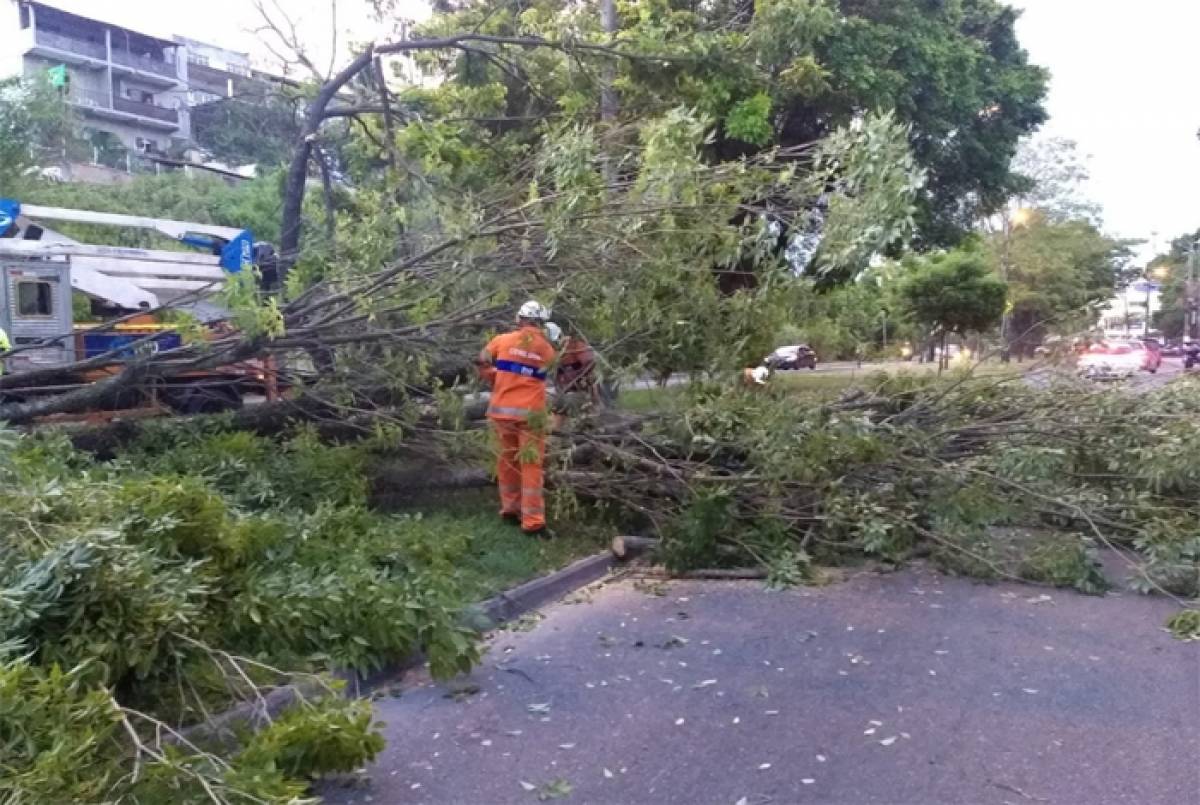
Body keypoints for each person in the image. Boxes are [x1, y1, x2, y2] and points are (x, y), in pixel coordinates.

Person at [478, 300, 557, 536]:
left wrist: (494, 377)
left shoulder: (502, 340)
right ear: (542, 323)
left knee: (508, 463)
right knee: (531, 466)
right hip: (530, 416)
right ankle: (533, 522)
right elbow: (550, 372)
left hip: (502, 412)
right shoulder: (547, 350)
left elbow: (480, 358)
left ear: (519, 319)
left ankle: (510, 510)